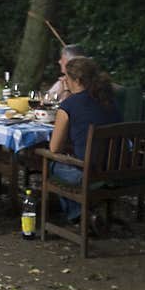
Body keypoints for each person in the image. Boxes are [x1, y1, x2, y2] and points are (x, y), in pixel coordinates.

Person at [47, 57, 122, 227]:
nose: (64, 80)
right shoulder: (110, 101)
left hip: (89, 174)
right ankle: (86, 215)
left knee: (51, 164)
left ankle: (80, 216)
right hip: (116, 168)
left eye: (66, 76)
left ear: (77, 80)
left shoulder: (69, 105)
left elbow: (54, 147)